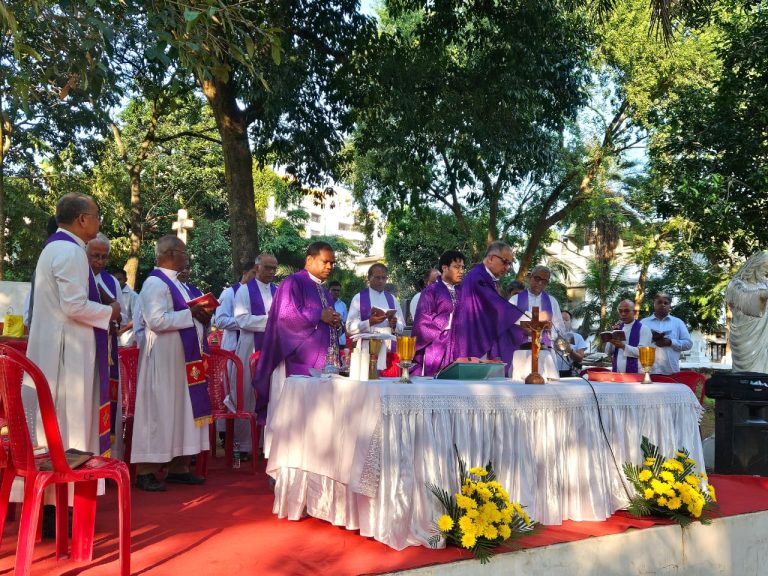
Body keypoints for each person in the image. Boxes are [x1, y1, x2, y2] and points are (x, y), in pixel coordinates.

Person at [25, 193, 121, 457]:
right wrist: (110, 312)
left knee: (55, 421)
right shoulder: (70, 251)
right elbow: (74, 306)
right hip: (68, 354)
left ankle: (55, 492)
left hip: (59, 347)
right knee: (68, 421)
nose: (99, 222)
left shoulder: (55, 247)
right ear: (81, 219)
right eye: (97, 217)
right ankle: (68, 488)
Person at [131, 236, 213, 492]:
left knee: (182, 410)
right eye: (183, 253)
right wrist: (192, 314)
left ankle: (180, 467)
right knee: (159, 411)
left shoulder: (181, 285)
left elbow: (189, 315)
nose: (187, 257)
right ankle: (146, 470)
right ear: (169, 253)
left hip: (184, 360)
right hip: (164, 360)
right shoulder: (155, 282)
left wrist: (203, 313)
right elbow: (156, 320)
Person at [252, 241, 341, 425]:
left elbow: (327, 323)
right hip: (297, 362)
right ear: (309, 259)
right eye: (325, 261)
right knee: (297, 420)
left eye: (332, 263)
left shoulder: (324, 290)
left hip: (324, 364)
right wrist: (319, 314)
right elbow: (286, 318)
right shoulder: (293, 282)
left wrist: (336, 322)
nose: (329, 266)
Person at [453, 241, 525, 374]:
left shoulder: (486, 278)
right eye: (505, 262)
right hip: (475, 341)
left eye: (510, 263)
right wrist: (525, 320)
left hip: (480, 339)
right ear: (491, 258)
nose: (508, 267)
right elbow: (495, 305)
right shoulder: (477, 277)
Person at [233, 254, 278, 458]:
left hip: (271, 350)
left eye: (274, 268)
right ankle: (242, 446)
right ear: (257, 267)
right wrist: (270, 322)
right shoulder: (244, 290)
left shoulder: (278, 291)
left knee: (269, 395)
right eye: (267, 267)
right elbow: (242, 320)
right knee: (247, 395)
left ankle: (264, 444)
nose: (271, 272)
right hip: (249, 347)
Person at [86, 233, 127, 454]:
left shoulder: (111, 281)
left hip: (108, 348)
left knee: (108, 401)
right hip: (84, 348)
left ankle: (110, 457)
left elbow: (122, 312)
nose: (100, 261)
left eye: (104, 257)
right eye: (95, 256)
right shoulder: (78, 276)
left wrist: (115, 319)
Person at [412, 250, 465, 376]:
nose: (461, 271)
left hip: (459, 348)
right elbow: (422, 322)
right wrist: (450, 319)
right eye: (457, 267)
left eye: (463, 267)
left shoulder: (463, 292)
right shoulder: (431, 291)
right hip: (437, 349)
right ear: (445, 268)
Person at [347, 263, 406, 370]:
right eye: (377, 278)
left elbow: (402, 326)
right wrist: (369, 322)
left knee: (390, 385)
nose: (381, 281)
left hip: (389, 353)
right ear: (369, 277)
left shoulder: (392, 299)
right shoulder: (359, 298)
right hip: (366, 353)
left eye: (384, 278)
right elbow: (349, 327)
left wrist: (394, 324)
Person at [726, 252, 768, 372]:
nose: (767, 271)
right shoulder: (736, 284)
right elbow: (744, 302)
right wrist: (763, 295)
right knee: (746, 375)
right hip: (745, 335)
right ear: (755, 265)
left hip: (764, 334)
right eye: (766, 267)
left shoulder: (765, 283)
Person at [640, 292, 693, 375]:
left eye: (666, 303)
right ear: (654, 304)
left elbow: (688, 344)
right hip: (648, 371)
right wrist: (651, 339)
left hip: (670, 371)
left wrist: (670, 342)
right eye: (659, 302)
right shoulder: (643, 323)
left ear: (670, 305)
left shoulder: (678, 323)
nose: (663, 305)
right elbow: (636, 345)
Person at [214, 261, 254, 352]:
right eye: (254, 273)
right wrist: (246, 321)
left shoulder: (258, 294)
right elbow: (220, 321)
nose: (257, 277)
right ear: (245, 273)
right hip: (234, 346)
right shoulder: (229, 292)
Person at [605, 300, 652, 373]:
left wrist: (623, 346)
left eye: (626, 311)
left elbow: (644, 353)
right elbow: (608, 352)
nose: (623, 314)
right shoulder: (617, 328)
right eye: (620, 311)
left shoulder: (644, 329)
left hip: (636, 373)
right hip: (616, 372)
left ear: (634, 312)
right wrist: (611, 338)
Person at [556, 310, 588, 377]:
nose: (564, 322)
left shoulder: (578, 337)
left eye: (567, 320)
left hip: (569, 372)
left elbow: (580, 359)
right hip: (552, 371)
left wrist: (570, 350)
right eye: (561, 320)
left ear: (571, 322)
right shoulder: (549, 336)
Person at [114, 269, 140, 347]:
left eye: (119, 279)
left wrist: (120, 331)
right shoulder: (111, 293)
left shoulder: (133, 296)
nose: (117, 282)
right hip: (113, 339)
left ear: (125, 279)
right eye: (115, 280)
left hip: (127, 340)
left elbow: (136, 318)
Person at [329, 280, 348, 347]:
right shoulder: (324, 304)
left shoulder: (343, 305)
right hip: (328, 340)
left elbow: (345, 323)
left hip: (341, 341)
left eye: (338, 290)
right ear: (329, 290)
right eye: (334, 290)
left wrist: (347, 341)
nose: (336, 292)